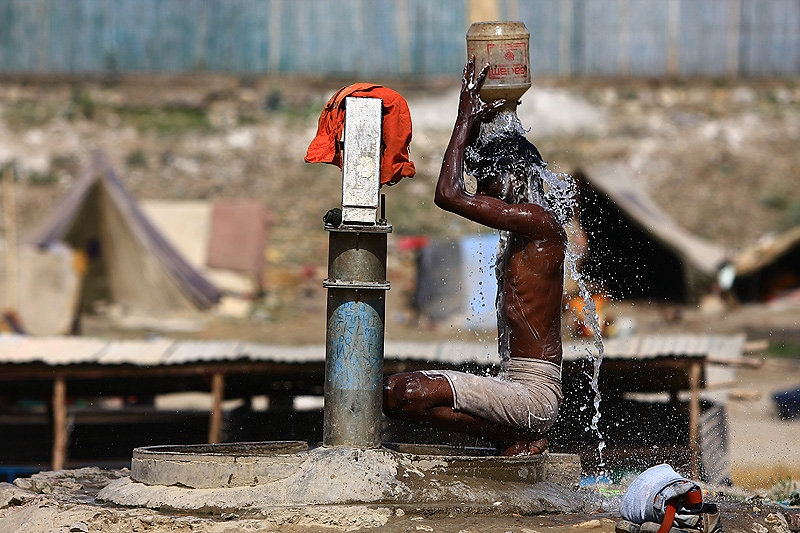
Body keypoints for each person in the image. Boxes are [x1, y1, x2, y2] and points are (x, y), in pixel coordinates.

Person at [383, 57, 567, 456]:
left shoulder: (541, 224)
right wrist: (482, 118)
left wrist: (464, 114)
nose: (482, 192)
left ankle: (516, 437)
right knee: (390, 393)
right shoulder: (521, 231)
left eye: (487, 181)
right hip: (515, 387)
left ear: (514, 176)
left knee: (408, 393)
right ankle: (513, 437)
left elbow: (448, 195)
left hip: (533, 397)